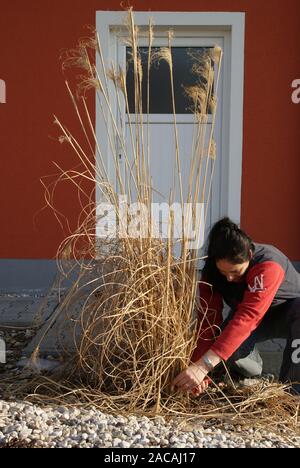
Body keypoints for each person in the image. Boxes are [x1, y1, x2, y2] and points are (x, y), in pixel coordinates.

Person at [172, 217, 300, 396]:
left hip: (288, 314)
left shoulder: (268, 265)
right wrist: (199, 369)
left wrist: (204, 366)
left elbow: (248, 317)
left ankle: (293, 393)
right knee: (226, 347)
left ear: (249, 254)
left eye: (235, 271)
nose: (229, 279)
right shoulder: (210, 275)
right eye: (224, 272)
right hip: (253, 317)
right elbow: (208, 324)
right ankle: (252, 376)